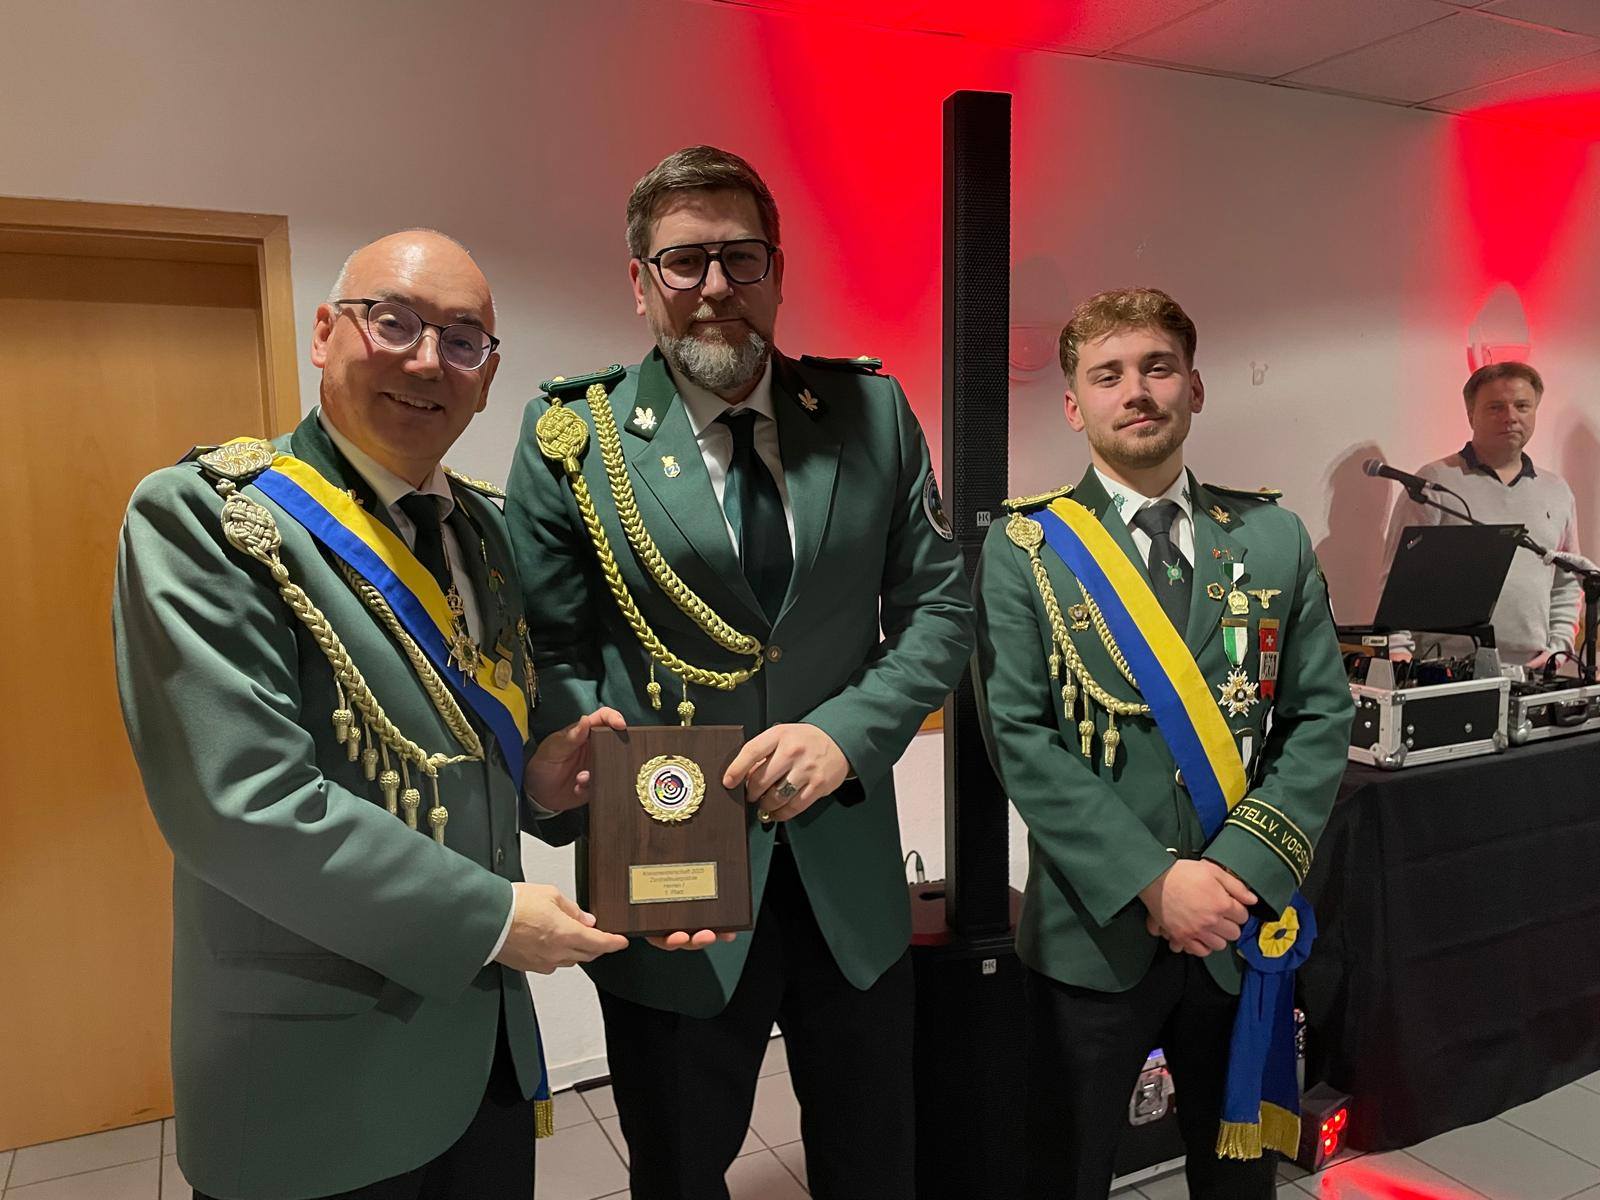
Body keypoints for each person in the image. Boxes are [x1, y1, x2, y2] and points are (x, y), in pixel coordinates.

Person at [114, 229, 629, 1200]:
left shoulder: (484, 530)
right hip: (315, 1081)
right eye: (393, 322)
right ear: (323, 332)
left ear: (488, 376)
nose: (427, 361)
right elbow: (241, 806)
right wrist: (492, 917)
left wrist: (539, 780)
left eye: (463, 340)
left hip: (482, 1055)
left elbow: (459, 748)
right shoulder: (210, 521)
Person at [505, 145, 974, 1200]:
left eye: (741, 256)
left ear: (778, 270)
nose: (715, 286)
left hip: (845, 871)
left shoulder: (871, 415)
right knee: (680, 1165)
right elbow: (553, 652)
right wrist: (598, 797)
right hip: (669, 866)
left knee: (873, 1157)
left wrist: (845, 733)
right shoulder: (575, 438)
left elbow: (940, 610)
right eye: (685, 261)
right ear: (641, 281)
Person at [973, 287, 1353, 1199]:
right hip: (1093, 932)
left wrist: (1233, 876)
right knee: (1063, 1171)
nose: (1136, 391)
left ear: (1195, 388)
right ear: (1075, 406)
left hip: (1237, 925)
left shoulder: (1273, 538)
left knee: (1238, 1179)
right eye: (1107, 375)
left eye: (1157, 368)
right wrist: (1156, 881)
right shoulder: (1025, 550)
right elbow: (1019, 739)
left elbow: (1319, 719)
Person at [1379, 361, 1581, 669]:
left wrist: (1559, 646)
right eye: (1496, 407)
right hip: (1444, 666)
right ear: (1471, 414)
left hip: (1532, 669)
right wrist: (1398, 652)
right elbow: (1398, 576)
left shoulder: (1556, 490)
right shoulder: (1434, 483)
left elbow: (1567, 580)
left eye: (1522, 406)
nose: (1511, 416)